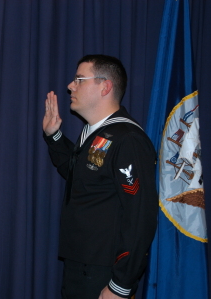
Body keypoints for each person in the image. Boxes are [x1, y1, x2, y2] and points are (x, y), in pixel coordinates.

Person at [42, 55, 158, 299]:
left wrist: (121, 284)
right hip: (81, 266)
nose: (70, 86)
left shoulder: (127, 139)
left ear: (105, 87)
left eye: (79, 80)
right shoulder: (97, 134)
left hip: (105, 272)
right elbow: (81, 177)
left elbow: (140, 217)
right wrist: (54, 137)